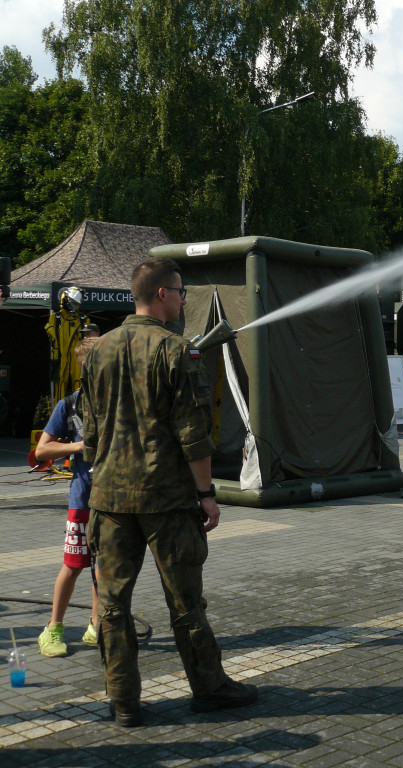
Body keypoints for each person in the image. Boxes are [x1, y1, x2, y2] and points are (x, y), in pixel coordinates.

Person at [80, 257, 257, 727]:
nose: (183, 300)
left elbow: (91, 431)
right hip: (167, 499)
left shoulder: (97, 350)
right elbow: (192, 433)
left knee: (113, 605)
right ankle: (209, 687)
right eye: (180, 291)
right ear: (162, 294)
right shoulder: (177, 351)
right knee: (186, 601)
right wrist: (208, 494)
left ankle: (122, 702)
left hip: (109, 500)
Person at [36, 337, 101, 658]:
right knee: (74, 565)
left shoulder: (121, 402)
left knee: (106, 567)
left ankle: (96, 625)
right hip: (82, 501)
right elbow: (43, 449)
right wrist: (78, 447)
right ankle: (53, 627)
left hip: (114, 501)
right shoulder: (70, 405)